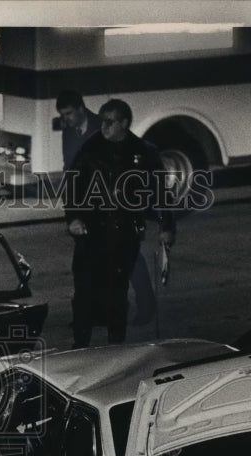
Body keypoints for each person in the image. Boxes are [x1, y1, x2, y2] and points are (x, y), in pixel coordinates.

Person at [66, 99, 176, 348]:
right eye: (102, 120)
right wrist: (73, 218)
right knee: (84, 288)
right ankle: (80, 343)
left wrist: (166, 226)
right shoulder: (90, 149)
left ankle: (116, 343)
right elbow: (72, 186)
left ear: (124, 123)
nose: (103, 126)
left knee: (116, 291)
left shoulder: (144, 152)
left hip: (124, 232)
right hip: (92, 232)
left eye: (110, 121)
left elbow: (159, 192)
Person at [56, 90, 102, 170]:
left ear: (80, 109)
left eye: (68, 113)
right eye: (62, 115)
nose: (65, 118)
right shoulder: (67, 131)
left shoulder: (101, 125)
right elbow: (68, 163)